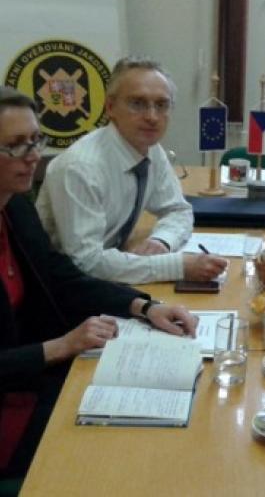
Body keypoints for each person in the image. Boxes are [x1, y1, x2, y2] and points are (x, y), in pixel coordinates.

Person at [0, 88, 198, 479]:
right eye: (15, 145)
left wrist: (144, 306)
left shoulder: (14, 206)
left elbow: (61, 276)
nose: (33, 156)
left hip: (33, 379)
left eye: (36, 140)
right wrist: (60, 346)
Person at [36, 56, 227, 284]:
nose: (152, 117)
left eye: (161, 105)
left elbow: (178, 210)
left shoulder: (151, 149)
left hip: (109, 275)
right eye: (137, 103)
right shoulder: (80, 167)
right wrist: (178, 266)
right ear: (110, 107)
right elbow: (86, 262)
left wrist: (162, 241)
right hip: (58, 286)